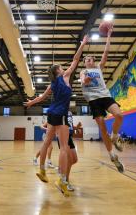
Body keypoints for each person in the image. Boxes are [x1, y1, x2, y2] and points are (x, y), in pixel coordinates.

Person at [25, 35, 89, 197]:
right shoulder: (65, 77)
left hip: (51, 113)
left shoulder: (52, 84)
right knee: (64, 148)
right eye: (61, 68)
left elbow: (41, 98)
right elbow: (75, 60)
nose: (63, 68)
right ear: (58, 71)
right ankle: (61, 179)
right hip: (61, 114)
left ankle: (42, 170)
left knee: (47, 142)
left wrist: (31, 103)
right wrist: (82, 44)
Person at [80, 25, 124, 172]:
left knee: (119, 115)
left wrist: (109, 35)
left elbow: (106, 52)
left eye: (90, 59)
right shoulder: (83, 71)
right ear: (84, 63)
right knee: (103, 129)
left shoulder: (98, 68)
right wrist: (85, 81)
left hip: (105, 96)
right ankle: (112, 155)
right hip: (93, 100)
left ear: (93, 61)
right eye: (86, 59)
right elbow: (82, 81)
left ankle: (115, 136)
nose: (88, 61)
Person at [56, 111, 78, 192]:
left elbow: (70, 125)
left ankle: (62, 170)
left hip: (70, 137)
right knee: (69, 159)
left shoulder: (70, 112)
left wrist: (77, 127)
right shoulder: (59, 110)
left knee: (74, 159)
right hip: (63, 135)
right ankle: (65, 181)